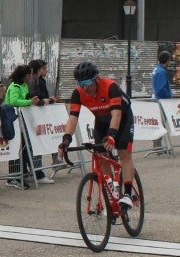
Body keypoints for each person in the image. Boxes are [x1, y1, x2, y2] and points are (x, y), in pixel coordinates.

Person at [56, 61, 137, 209]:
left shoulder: (110, 87)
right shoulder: (78, 93)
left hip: (122, 118)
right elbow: (73, 117)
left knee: (124, 154)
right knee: (101, 157)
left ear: (96, 79)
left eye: (87, 83)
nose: (85, 87)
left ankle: (127, 194)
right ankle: (113, 191)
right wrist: (66, 140)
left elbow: (117, 115)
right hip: (101, 121)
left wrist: (112, 135)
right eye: (80, 83)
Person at [26, 59, 57, 184]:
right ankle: (38, 173)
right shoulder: (34, 81)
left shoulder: (38, 80)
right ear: (37, 70)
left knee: (35, 144)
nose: (46, 71)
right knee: (35, 144)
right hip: (34, 117)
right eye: (44, 68)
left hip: (37, 116)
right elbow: (34, 98)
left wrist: (48, 100)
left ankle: (35, 172)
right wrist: (44, 101)